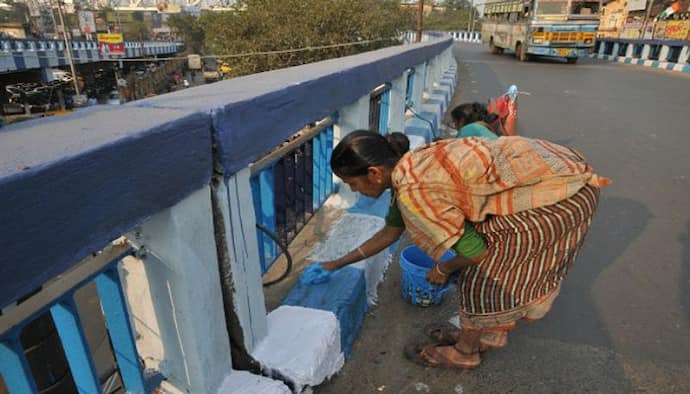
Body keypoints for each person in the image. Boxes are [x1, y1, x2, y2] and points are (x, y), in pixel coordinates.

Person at [319, 130, 610, 369]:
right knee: (481, 263)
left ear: (374, 173)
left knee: (482, 277)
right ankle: (477, 333)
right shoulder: (408, 165)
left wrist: (442, 268)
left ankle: (466, 351)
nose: (353, 190)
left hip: (560, 196)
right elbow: (391, 231)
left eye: (352, 183)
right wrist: (336, 264)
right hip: (558, 170)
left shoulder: (414, 193)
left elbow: (476, 252)